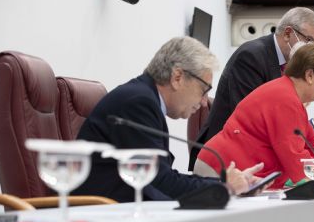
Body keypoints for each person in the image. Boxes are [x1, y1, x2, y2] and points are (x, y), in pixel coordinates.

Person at [75, 36, 261, 202]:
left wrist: (223, 183)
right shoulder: (138, 102)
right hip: (98, 211)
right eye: (204, 91)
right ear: (177, 77)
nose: (204, 102)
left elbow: (163, 177)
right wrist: (224, 186)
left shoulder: (144, 98)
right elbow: (161, 181)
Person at [194, 44, 314, 188]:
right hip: (222, 168)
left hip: (237, 171)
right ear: (309, 75)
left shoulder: (291, 98)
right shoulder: (285, 99)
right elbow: (298, 164)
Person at [188, 7, 314, 170]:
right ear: (288, 33)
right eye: (308, 40)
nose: (309, 48)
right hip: (224, 158)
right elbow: (252, 117)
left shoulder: (287, 66)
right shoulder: (252, 56)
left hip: (251, 156)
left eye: (313, 43)